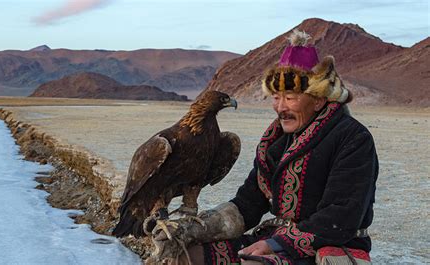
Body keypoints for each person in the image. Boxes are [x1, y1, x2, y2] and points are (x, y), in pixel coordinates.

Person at [149, 30, 379, 265]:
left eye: (290, 97)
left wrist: (273, 245)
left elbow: (341, 216)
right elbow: (248, 203)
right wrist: (197, 229)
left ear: (318, 99)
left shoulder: (353, 138)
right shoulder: (276, 142)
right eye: (276, 97)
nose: (280, 107)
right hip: (277, 240)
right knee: (184, 255)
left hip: (328, 246)